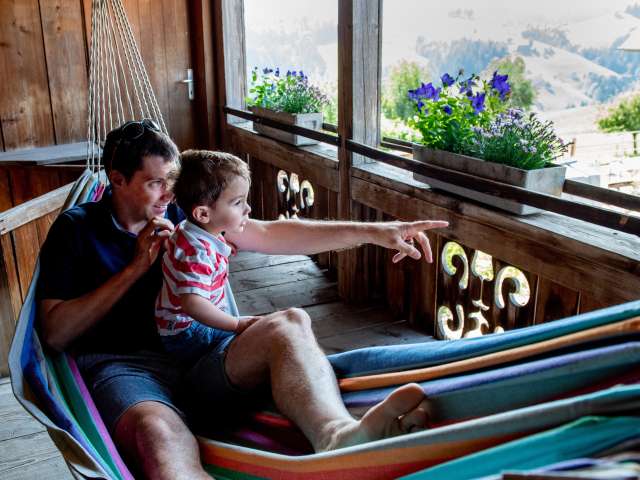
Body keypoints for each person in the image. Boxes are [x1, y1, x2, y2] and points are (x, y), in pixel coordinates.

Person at [37, 119, 450, 479]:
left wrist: (374, 232)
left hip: (204, 359)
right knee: (157, 434)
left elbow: (271, 233)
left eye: (172, 181)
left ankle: (339, 437)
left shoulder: (185, 212)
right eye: (155, 183)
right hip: (129, 370)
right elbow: (55, 333)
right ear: (117, 179)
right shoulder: (77, 230)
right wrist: (134, 269)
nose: (168, 194)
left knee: (289, 323)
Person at [155, 150, 258, 366]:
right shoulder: (197, 253)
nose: (248, 208)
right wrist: (236, 324)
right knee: (257, 338)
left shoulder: (190, 231)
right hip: (189, 332)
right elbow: (193, 304)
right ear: (203, 214)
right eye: (238, 202)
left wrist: (220, 246)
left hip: (179, 327)